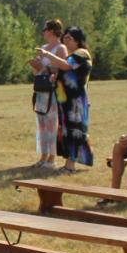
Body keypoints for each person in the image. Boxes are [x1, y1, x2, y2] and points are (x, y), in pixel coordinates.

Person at [50, 27, 94, 174]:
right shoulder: (71, 55)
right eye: (65, 37)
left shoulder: (81, 53)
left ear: (77, 39)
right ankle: (68, 164)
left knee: (75, 131)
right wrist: (56, 78)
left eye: (69, 37)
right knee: (67, 131)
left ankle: (70, 166)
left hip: (76, 102)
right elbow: (66, 72)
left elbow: (67, 66)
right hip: (66, 101)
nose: (65, 40)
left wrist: (48, 55)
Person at [28, 19, 64, 169]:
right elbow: (35, 72)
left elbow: (62, 68)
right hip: (40, 88)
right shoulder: (42, 48)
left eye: (45, 29)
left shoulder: (61, 48)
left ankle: (52, 158)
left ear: (52, 31)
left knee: (52, 123)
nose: (43, 32)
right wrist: (35, 65)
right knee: (41, 123)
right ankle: (43, 156)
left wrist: (45, 68)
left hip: (53, 90)